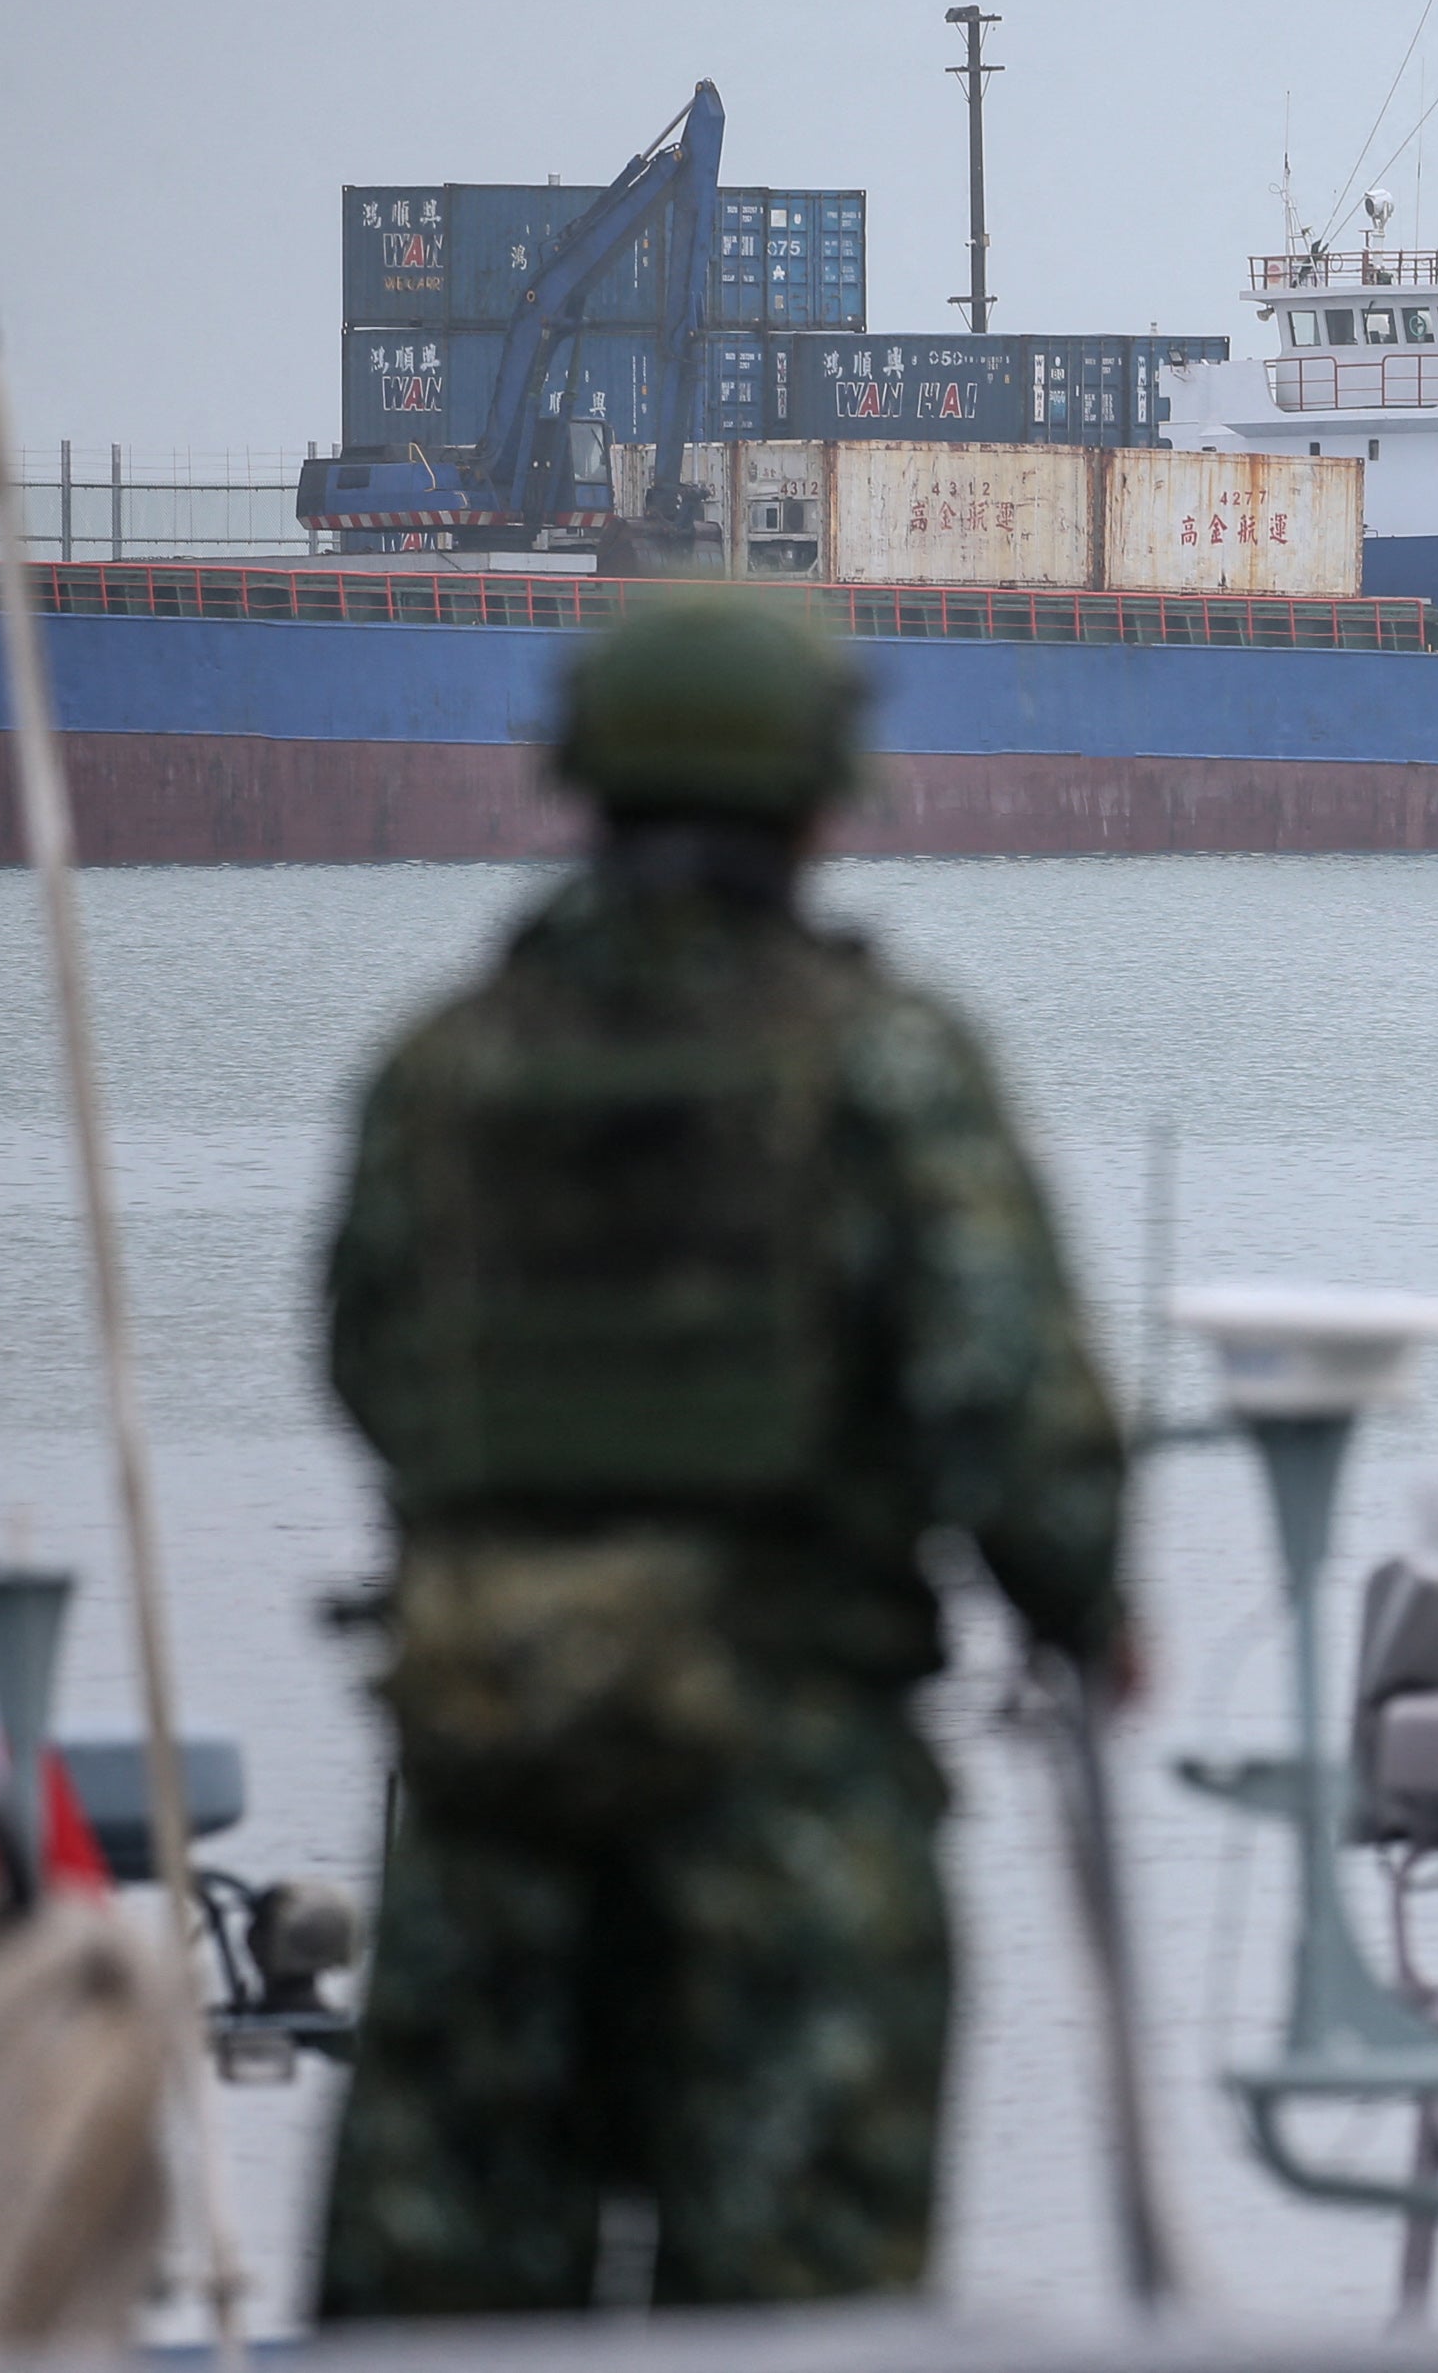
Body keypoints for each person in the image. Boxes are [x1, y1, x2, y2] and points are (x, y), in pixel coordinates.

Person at [312, 593, 1128, 2316]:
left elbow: (367, 1363)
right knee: (795, 2315)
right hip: (787, 1795)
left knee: (447, 2316)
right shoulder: (885, 1067)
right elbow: (1016, 1415)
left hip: (491, 1795)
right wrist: (1084, 1607)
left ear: (580, 784)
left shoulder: (437, 1069)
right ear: (823, 802)